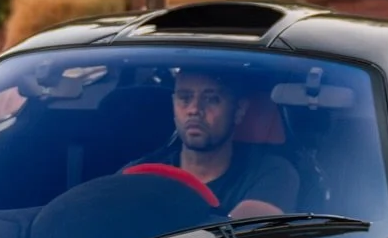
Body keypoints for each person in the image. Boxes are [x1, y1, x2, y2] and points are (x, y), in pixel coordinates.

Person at [126, 67, 299, 219]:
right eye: (185, 98)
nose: (194, 110)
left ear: (239, 110)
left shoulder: (271, 173)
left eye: (212, 99)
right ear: (173, 105)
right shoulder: (141, 174)